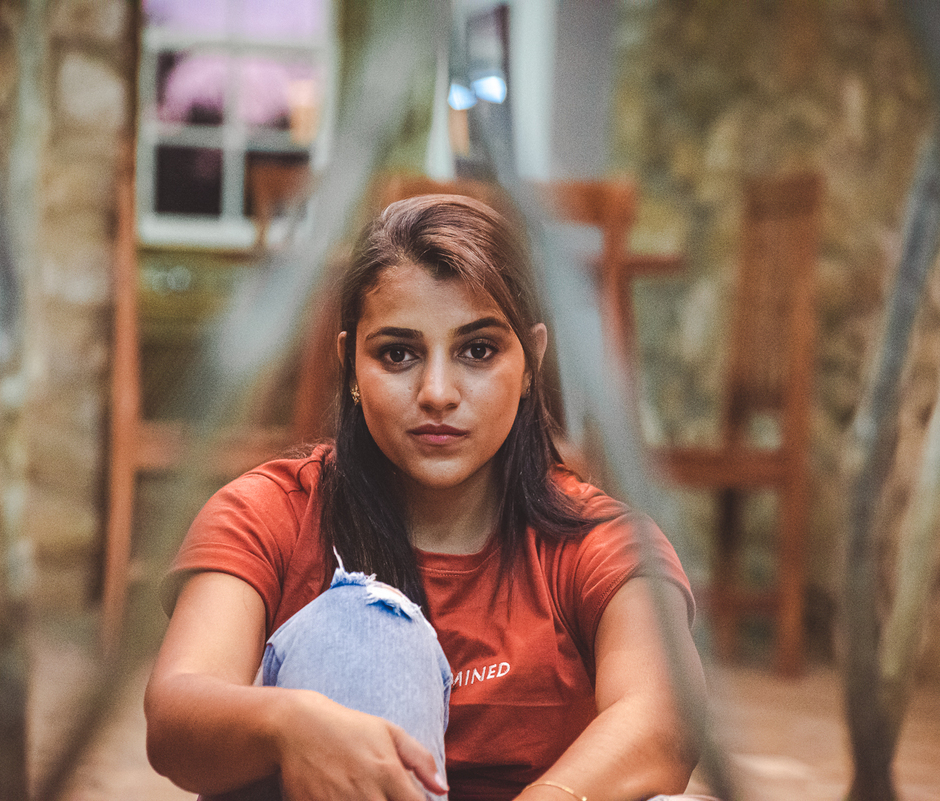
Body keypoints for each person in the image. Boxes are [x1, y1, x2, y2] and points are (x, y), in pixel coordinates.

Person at [145, 193, 711, 801]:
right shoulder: (269, 513)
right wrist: (288, 723)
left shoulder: (600, 542)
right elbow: (175, 713)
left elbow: (666, 720)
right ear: (350, 367)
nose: (437, 393)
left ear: (531, 363)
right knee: (362, 626)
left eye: (478, 350)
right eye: (398, 354)